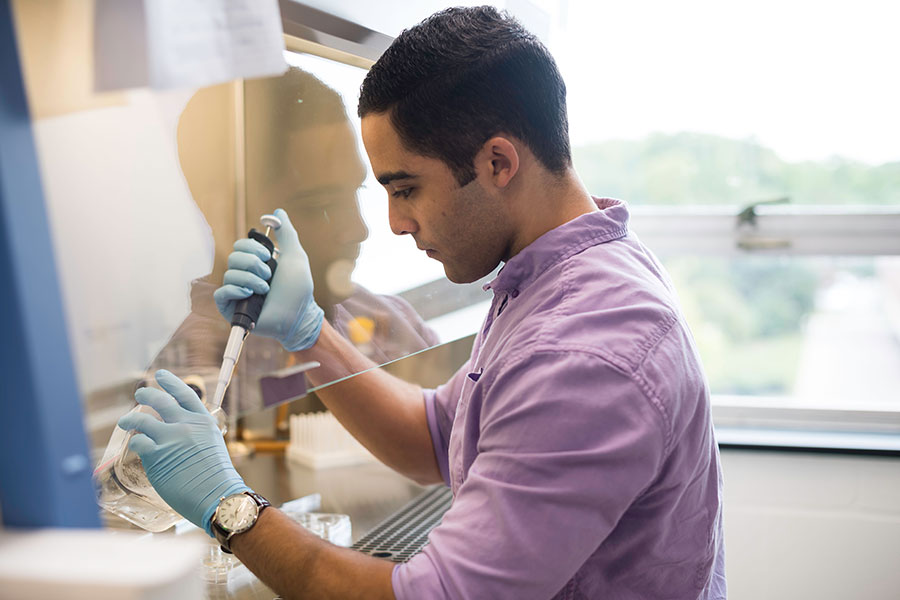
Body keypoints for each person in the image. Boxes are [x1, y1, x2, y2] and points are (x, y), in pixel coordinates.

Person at [119, 6, 727, 599]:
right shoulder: (558, 275)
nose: (391, 224)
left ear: (497, 162)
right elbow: (434, 435)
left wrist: (231, 508)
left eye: (405, 188)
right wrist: (309, 333)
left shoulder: (581, 350)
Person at [146, 67, 438, 415]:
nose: (358, 229)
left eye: (355, 191)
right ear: (225, 213)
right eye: (321, 206)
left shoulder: (392, 321)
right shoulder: (183, 392)